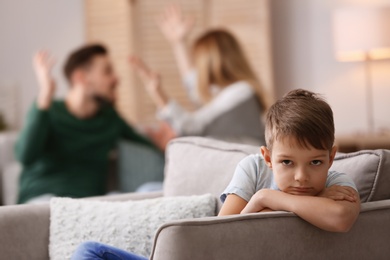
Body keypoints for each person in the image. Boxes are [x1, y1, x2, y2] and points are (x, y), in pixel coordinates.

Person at [71, 89, 360, 259]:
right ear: (268, 157)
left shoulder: (336, 183)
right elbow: (222, 235)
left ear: (331, 157)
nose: (301, 177)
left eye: (315, 163)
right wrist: (263, 196)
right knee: (89, 251)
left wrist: (269, 199)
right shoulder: (254, 169)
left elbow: (341, 218)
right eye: (287, 163)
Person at [15, 44, 159, 204]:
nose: (116, 79)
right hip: (44, 200)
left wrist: (164, 141)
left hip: (88, 205)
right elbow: (25, 156)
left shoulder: (110, 119)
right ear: (81, 78)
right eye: (107, 71)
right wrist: (45, 94)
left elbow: (146, 144)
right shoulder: (48, 110)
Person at [129, 5, 270, 147]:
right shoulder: (229, 92)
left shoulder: (242, 91)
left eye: (198, 62)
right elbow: (194, 86)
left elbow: (191, 128)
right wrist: (178, 43)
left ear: (211, 63)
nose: (198, 69)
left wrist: (158, 93)